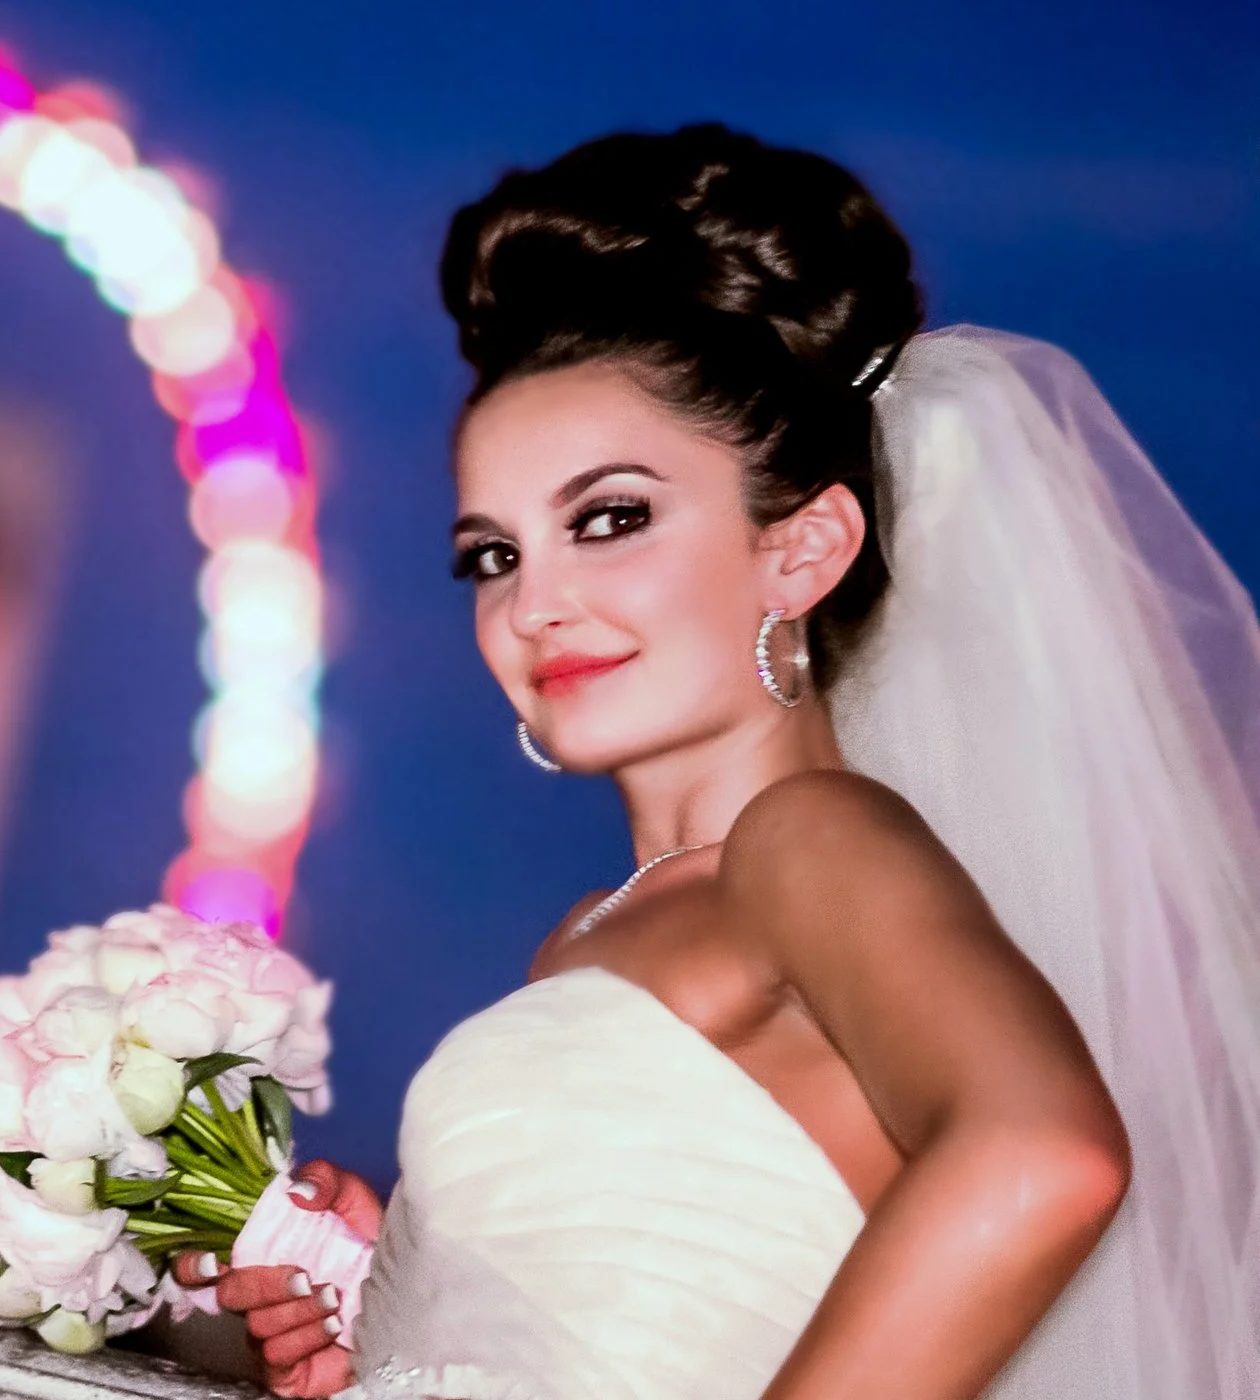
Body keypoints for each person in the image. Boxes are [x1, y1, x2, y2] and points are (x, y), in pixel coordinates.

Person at [172, 123, 1260, 1399]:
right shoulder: (590, 931)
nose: (533, 602)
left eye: (609, 518)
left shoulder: (811, 837)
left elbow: (1041, 1154)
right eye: (493, 553)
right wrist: (390, 1281)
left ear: (800, 551)